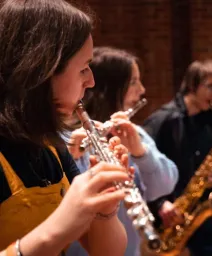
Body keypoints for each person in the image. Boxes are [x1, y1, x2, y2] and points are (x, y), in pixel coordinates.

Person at [0, 1, 130, 255]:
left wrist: (106, 208)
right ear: (40, 70)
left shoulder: (50, 146)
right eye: (83, 68)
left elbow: (106, 251)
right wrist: (57, 230)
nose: (91, 81)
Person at [65, 47, 179, 256]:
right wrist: (70, 158)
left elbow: (165, 185)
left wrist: (140, 153)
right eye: (134, 81)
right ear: (109, 87)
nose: (142, 89)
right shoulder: (68, 138)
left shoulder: (132, 132)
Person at [143, 60, 212, 256]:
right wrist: (160, 204)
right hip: (169, 217)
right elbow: (142, 168)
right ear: (192, 85)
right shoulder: (163, 120)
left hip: (200, 214)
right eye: (210, 87)